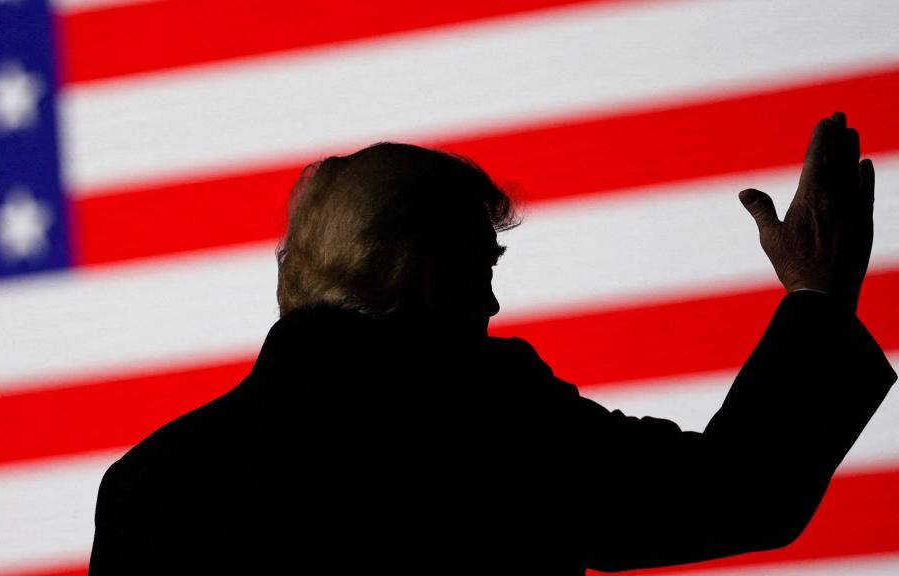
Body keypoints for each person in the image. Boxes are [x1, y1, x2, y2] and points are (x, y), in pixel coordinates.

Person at [88, 113, 894, 574]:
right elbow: (739, 494)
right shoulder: (491, 424)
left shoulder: (149, 490)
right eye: (479, 269)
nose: (493, 301)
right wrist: (817, 297)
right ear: (421, 275)